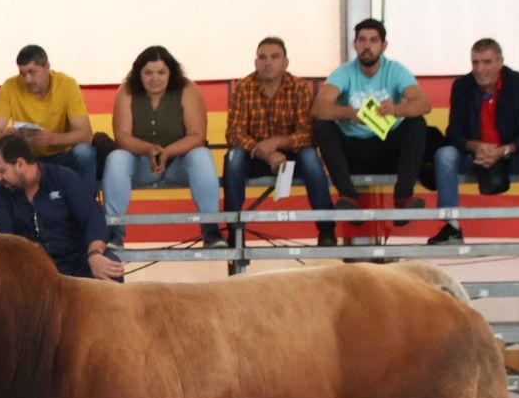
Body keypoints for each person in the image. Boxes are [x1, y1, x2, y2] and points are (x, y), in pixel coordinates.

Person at [429, 38, 519, 245]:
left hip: (511, 155)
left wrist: (504, 150)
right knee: (444, 154)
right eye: (475, 62)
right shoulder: (462, 85)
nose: (479, 69)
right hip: (473, 156)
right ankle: (452, 227)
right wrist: (475, 147)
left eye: (486, 62)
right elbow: (453, 132)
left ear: (500, 62)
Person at [311, 18, 431, 222]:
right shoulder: (344, 72)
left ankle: (403, 198)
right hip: (352, 154)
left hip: (387, 149)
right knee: (321, 125)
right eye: (362, 40)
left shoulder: (395, 70)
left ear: (384, 45)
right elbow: (318, 109)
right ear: (355, 44)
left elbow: (424, 104)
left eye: (373, 40)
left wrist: (396, 109)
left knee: (417, 123)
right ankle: (348, 197)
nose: (367, 46)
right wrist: (351, 114)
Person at [101, 46, 221, 249]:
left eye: (161, 72)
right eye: (148, 72)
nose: (154, 78)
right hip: (142, 164)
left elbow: (197, 136)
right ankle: (114, 232)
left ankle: (211, 230)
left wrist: (168, 152)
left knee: (201, 155)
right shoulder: (126, 90)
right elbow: (122, 137)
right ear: (138, 74)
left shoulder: (188, 89)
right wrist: (148, 149)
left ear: (170, 73)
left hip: (179, 164)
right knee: (116, 158)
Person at [224, 36, 338, 246]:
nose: (267, 62)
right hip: (255, 156)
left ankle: (326, 229)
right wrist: (266, 153)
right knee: (233, 158)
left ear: (285, 62)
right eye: (262, 57)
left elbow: (308, 134)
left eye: (274, 57)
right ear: (255, 62)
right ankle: (233, 231)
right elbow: (234, 134)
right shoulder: (243, 88)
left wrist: (277, 143)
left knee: (310, 156)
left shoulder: (300, 87)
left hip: (291, 157)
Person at [0, 45, 96, 216]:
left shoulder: (67, 85)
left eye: (32, 72)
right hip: (23, 160)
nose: (27, 79)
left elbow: (86, 135)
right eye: (22, 73)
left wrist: (53, 138)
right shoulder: (10, 86)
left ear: (47, 67)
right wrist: (6, 137)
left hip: (60, 157)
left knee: (85, 152)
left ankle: (86, 217)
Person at [0, 134, 120, 281]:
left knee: (111, 269)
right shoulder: (4, 193)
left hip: (75, 260)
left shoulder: (64, 178)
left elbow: (93, 219)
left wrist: (95, 255)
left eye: (1, 171)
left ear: (20, 163)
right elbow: (5, 239)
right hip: (33, 268)